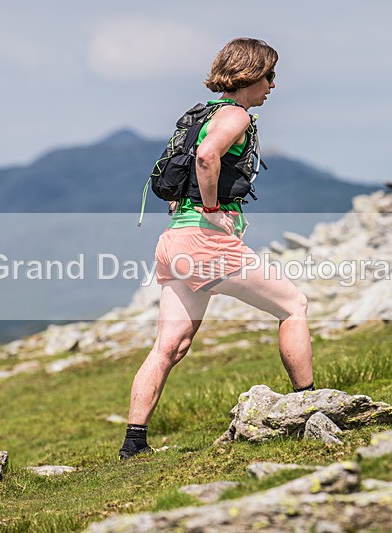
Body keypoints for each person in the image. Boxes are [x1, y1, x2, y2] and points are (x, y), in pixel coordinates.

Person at [119, 37, 314, 460]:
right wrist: (212, 209)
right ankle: (310, 407)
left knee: (170, 345)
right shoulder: (235, 115)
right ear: (251, 74)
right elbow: (207, 157)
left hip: (173, 242)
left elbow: (184, 166)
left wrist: (194, 208)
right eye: (270, 75)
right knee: (293, 306)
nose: (273, 86)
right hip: (207, 242)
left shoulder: (200, 115)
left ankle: (134, 443)